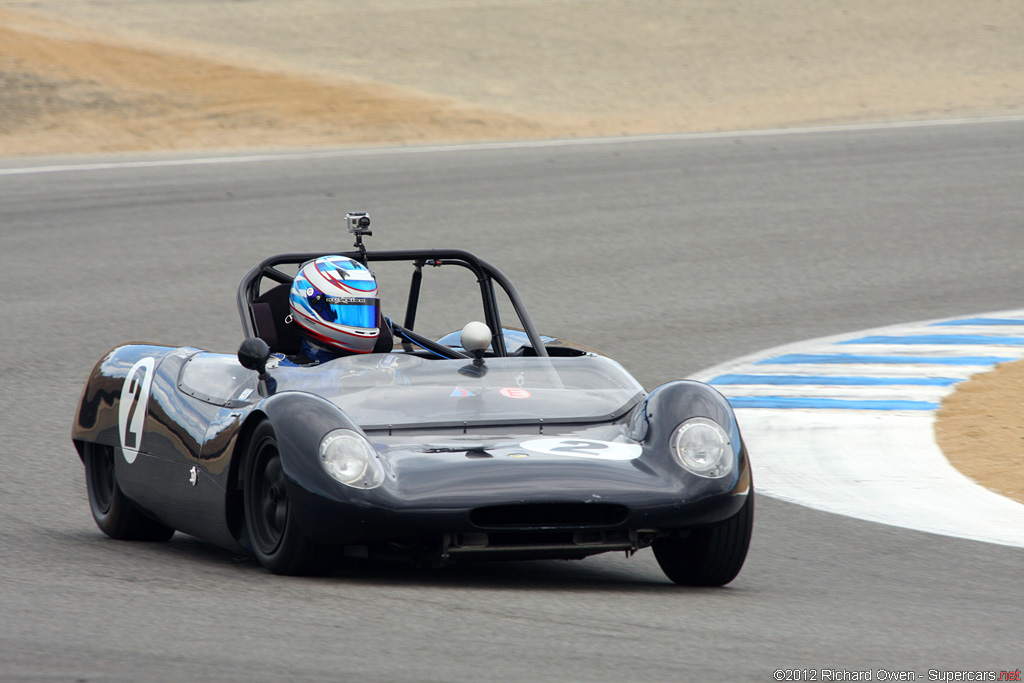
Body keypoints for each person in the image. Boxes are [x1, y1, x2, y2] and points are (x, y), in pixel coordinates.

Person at [285, 255, 381, 364]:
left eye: (365, 313)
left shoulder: (386, 365)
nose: (363, 327)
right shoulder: (285, 371)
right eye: (346, 313)